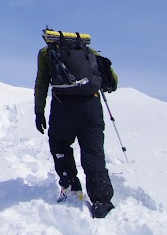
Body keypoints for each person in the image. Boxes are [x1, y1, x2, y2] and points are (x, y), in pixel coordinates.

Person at [34, 30, 118, 219]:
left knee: (60, 144)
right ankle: (102, 200)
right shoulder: (89, 51)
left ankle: (72, 188)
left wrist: (39, 112)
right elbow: (112, 80)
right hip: (92, 107)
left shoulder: (47, 53)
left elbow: (42, 82)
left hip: (64, 108)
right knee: (93, 152)